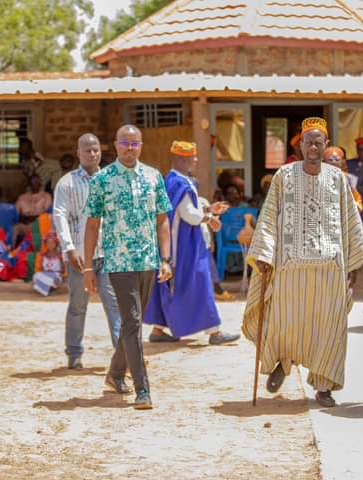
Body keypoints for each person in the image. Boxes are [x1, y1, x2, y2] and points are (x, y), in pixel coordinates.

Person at [243, 117, 363, 408]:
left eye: (318, 142)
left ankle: (324, 386)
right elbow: (269, 216)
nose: (313, 147)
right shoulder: (283, 176)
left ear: (326, 145)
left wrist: (352, 265)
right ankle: (282, 360)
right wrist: (264, 255)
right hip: (290, 267)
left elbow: (350, 221)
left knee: (329, 329)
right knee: (284, 321)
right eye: (308, 142)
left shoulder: (338, 179)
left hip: (330, 268)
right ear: (300, 146)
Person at [83, 124, 173, 410]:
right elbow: (92, 224)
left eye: (135, 143)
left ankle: (115, 373)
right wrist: (88, 267)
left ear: (141, 146)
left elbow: (162, 220)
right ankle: (142, 389)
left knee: (133, 321)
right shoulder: (102, 180)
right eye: (125, 143)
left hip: (148, 260)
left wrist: (166, 258)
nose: (130, 148)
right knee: (132, 321)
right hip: (118, 261)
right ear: (116, 145)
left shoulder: (153, 176)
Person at [144, 141, 241, 345]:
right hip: (184, 247)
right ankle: (215, 332)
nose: (196, 160)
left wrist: (208, 209)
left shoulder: (171, 180)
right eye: (193, 157)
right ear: (183, 160)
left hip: (178, 245)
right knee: (200, 284)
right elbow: (189, 215)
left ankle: (158, 330)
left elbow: (182, 211)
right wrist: (210, 218)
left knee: (177, 287)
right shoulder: (180, 184)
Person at [52, 133, 121, 370]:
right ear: (78, 153)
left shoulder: (110, 179)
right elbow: (60, 216)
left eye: (95, 150)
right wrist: (69, 248)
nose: (92, 154)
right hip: (80, 257)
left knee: (114, 305)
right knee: (78, 305)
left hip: (108, 254)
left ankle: (122, 354)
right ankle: (74, 353)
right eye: (87, 150)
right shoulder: (67, 183)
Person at [325, 146, 363, 213]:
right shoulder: (319, 177)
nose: (334, 162)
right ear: (324, 162)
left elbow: (358, 202)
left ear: (342, 161)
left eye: (337, 159)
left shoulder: (350, 179)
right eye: (330, 160)